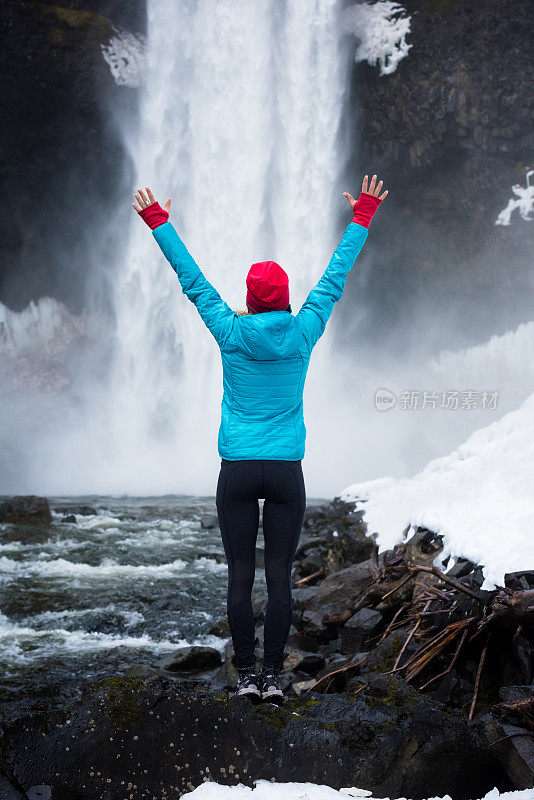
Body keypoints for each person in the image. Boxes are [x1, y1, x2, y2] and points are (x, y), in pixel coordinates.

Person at [133, 174, 388, 703]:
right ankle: (274, 679)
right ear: (287, 297)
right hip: (286, 470)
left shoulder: (229, 330)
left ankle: (245, 677)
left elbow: (194, 281)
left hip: (239, 469)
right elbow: (335, 278)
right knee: (278, 578)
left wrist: (158, 220)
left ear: (249, 298)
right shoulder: (303, 331)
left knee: (239, 576)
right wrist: (362, 215)